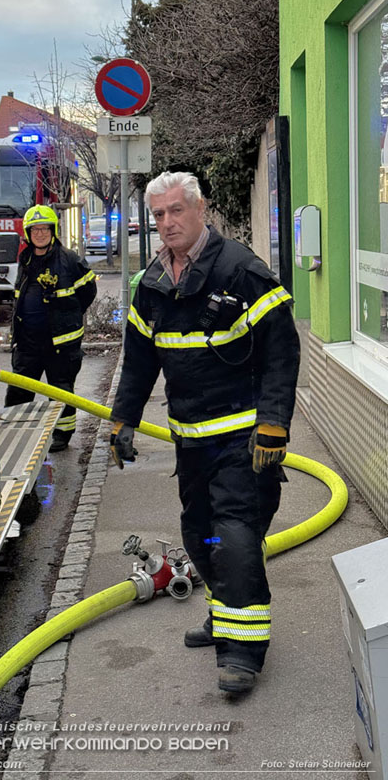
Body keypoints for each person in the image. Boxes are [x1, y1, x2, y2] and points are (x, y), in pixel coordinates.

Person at [110, 171, 300, 693]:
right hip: (190, 443)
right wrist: (123, 419)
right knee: (202, 535)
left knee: (236, 537)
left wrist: (274, 424)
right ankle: (226, 613)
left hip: (245, 443)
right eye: (158, 215)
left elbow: (283, 351)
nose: (167, 223)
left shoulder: (241, 271)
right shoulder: (152, 283)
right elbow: (138, 361)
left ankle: (242, 654)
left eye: (176, 211)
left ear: (201, 211)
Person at [5, 204, 97, 451]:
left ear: (53, 230)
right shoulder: (25, 259)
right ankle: (16, 429)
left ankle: (62, 434)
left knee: (61, 390)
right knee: (20, 389)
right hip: (28, 341)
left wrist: (71, 315)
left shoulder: (68, 259)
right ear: (28, 233)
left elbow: (89, 290)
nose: (40, 234)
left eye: (45, 229)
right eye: (35, 230)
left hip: (61, 341)